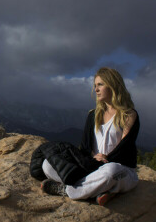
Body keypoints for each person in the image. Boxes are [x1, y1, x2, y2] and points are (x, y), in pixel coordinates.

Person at [40, 67, 140, 206]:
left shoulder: (128, 114)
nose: (96, 89)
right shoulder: (93, 115)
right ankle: (98, 190)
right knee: (48, 164)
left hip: (120, 168)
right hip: (94, 166)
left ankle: (68, 190)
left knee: (110, 173)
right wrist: (92, 158)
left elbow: (126, 146)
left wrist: (106, 158)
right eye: (95, 86)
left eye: (100, 84)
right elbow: (85, 146)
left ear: (113, 85)